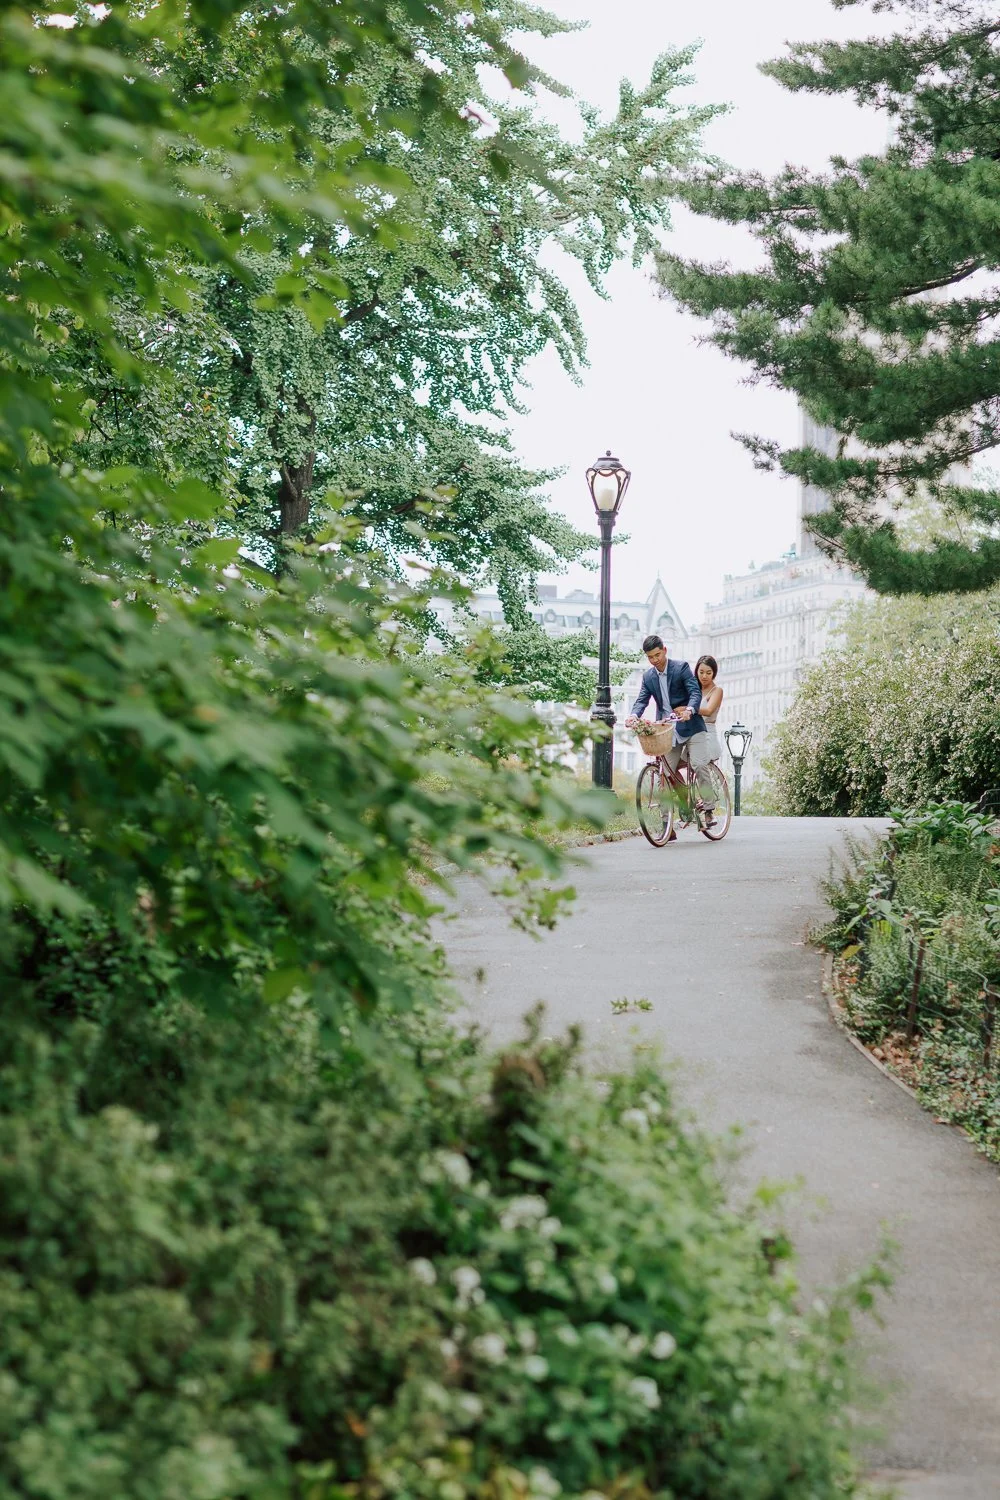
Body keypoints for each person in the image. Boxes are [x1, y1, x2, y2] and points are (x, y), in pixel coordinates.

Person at [625, 634, 715, 826]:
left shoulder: (680, 668)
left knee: (699, 765)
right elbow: (642, 700)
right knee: (665, 776)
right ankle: (667, 825)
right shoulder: (648, 677)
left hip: (691, 727)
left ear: (664, 650)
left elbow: (694, 692)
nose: (655, 660)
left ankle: (709, 809)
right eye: (650, 657)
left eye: (657, 655)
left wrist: (690, 709)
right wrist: (633, 715)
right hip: (667, 731)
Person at [695, 654, 723, 763]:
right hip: (693, 734)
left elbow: (708, 711)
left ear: (714, 673)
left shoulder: (717, 691)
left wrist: (689, 709)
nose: (704, 676)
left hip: (707, 736)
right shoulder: (694, 690)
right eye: (701, 672)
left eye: (708, 673)